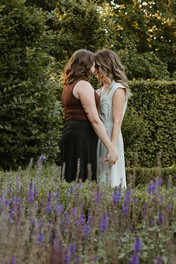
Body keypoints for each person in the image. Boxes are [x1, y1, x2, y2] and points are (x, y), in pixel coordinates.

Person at [61, 49, 117, 183]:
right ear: (86, 65)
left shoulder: (68, 86)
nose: (95, 68)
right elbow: (94, 119)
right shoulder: (83, 85)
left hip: (69, 132)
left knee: (70, 177)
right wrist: (111, 148)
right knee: (84, 178)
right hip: (82, 135)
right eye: (93, 65)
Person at [95, 49, 131, 188]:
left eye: (97, 66)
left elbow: (117, 121)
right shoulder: (99, 90)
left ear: (106, 65)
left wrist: (112, 148)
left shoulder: (118, 89)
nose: (95, 70)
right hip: (99, 135)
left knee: (110, 177)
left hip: (111, 135)